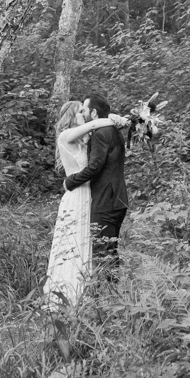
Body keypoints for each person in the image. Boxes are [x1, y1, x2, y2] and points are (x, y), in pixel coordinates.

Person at [43, 100, 122, 308]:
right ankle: (65, 294)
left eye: (84, 111)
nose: (83, 115)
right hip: (76, 194)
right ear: (71, 116)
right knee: (72, 242)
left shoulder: (82, 140)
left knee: (87, 243)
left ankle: (86, 294)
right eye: (80, 112)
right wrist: (115, 119)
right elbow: (95, 125)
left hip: (90, 195)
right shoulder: (66, 136)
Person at [64, 92, 129, 279]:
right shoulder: (114, 131)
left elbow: (94, 167)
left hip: (106, 200)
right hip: (117, 198)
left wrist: (70, 182)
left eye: (84, 109)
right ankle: (112, 292)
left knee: (102, 251)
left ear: (93, 113)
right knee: (110, 249)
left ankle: (106, 296)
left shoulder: (100, 134)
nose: (82, 113)